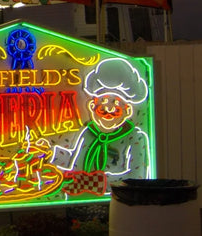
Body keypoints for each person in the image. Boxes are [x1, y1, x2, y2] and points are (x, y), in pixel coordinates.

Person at [49, 57, 151, 194]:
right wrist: (50, 154)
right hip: (79, 201)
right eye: (103, 101)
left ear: (127, 110)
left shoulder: (135, 138)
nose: (108, 109)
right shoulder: (88, 133)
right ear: (92, 105)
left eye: (115, 103)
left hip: (118, 202)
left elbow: (137, 178)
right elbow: (76, 162)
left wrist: (95, 182)